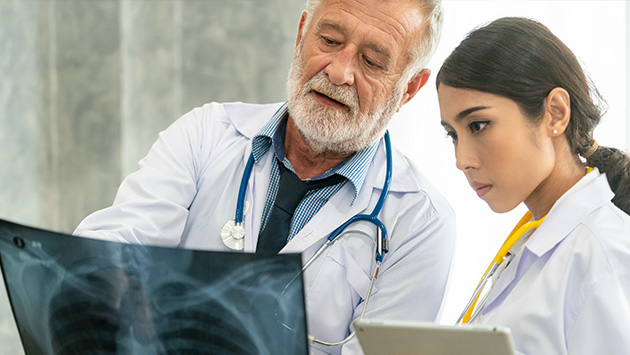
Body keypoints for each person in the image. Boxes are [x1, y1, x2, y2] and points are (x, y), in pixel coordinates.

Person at [75, 0, 456, 353]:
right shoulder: (207, 134)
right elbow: (110, 248)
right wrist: (103, 284)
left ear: (409, 89)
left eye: (372, 61)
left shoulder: (419, 223)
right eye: (329, 40)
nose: (339, 72)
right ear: (301, 33)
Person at [436, 17, 630, 355]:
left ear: (555, 113)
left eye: (478, 125)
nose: (461, 159)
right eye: (453, 135)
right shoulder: (534, 240)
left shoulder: (606, 254)